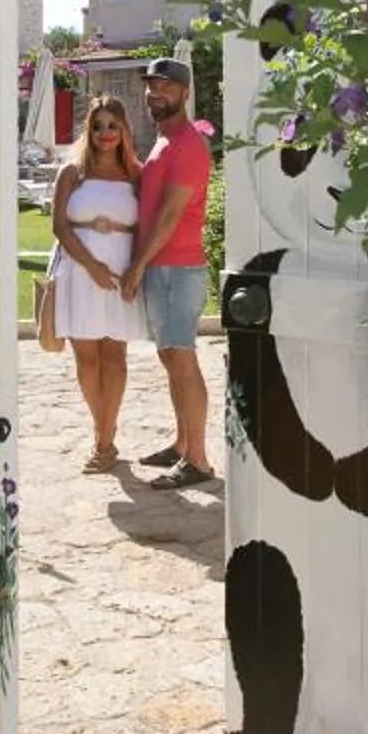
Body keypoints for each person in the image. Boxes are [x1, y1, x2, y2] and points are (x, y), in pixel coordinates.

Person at [122, 56, 215, 489]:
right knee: (170, 357)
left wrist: (137, 265)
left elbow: (171, 215)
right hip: (163, 267)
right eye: (151, 86)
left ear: (184, 93)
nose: (155, 93)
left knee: (182, 358)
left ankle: (198, 459)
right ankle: (182, 445)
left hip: (178, 268)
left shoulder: (190, 145)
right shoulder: (164, 143)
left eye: (165, 87)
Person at [50, 93, 147, 472]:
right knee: (88, 361)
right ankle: (101, 436)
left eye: (113, 125)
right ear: (88, 130)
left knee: (116, 359)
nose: (105, 133)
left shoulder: (136, 174)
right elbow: (58, 225)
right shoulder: (73, 172)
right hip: (80, 273)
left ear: (124, 129)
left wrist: (136, 270)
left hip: (122, 275)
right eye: (98, 125)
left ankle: (106, 441)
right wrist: (91, 266)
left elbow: (147, 227)